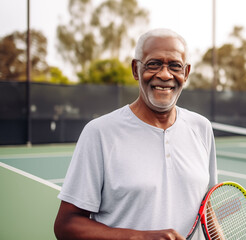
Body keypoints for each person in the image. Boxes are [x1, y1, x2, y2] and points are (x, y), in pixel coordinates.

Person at [54, 28, 218, 240]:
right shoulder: (100, 133)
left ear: (185, 73)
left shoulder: (201, 128)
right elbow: (66, 225)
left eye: (175, 66)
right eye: (153, 64)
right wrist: (138, 237)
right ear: (135, 69)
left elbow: (207, 210)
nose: (165, 74)